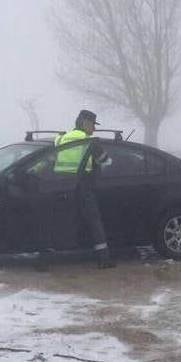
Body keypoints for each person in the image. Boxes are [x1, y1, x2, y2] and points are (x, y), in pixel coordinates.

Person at [54, 109, 115, 269]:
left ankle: (51, 255)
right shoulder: (89, 141)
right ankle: (103, 258)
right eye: (93, 125)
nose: (94, 129)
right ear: (85, 123)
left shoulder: (61, 139)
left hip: (59, 186)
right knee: (94, 220)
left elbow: (54, 150)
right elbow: (106, 162)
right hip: (82, 185)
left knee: (63, 219)